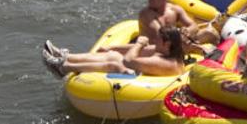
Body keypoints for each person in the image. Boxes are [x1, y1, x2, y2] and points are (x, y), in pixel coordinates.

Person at [42, 25, 187, 78]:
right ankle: (65, 56)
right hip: (142, 74)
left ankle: (64, 67)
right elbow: (146, 50)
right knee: (113, 54)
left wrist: (138, 44)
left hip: (139, 86)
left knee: (117, 62)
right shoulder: (167, 50)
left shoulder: (168, 63)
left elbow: (128, 61)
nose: (154, 41)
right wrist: (111, 48)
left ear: (167, 43)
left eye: (157, 39)